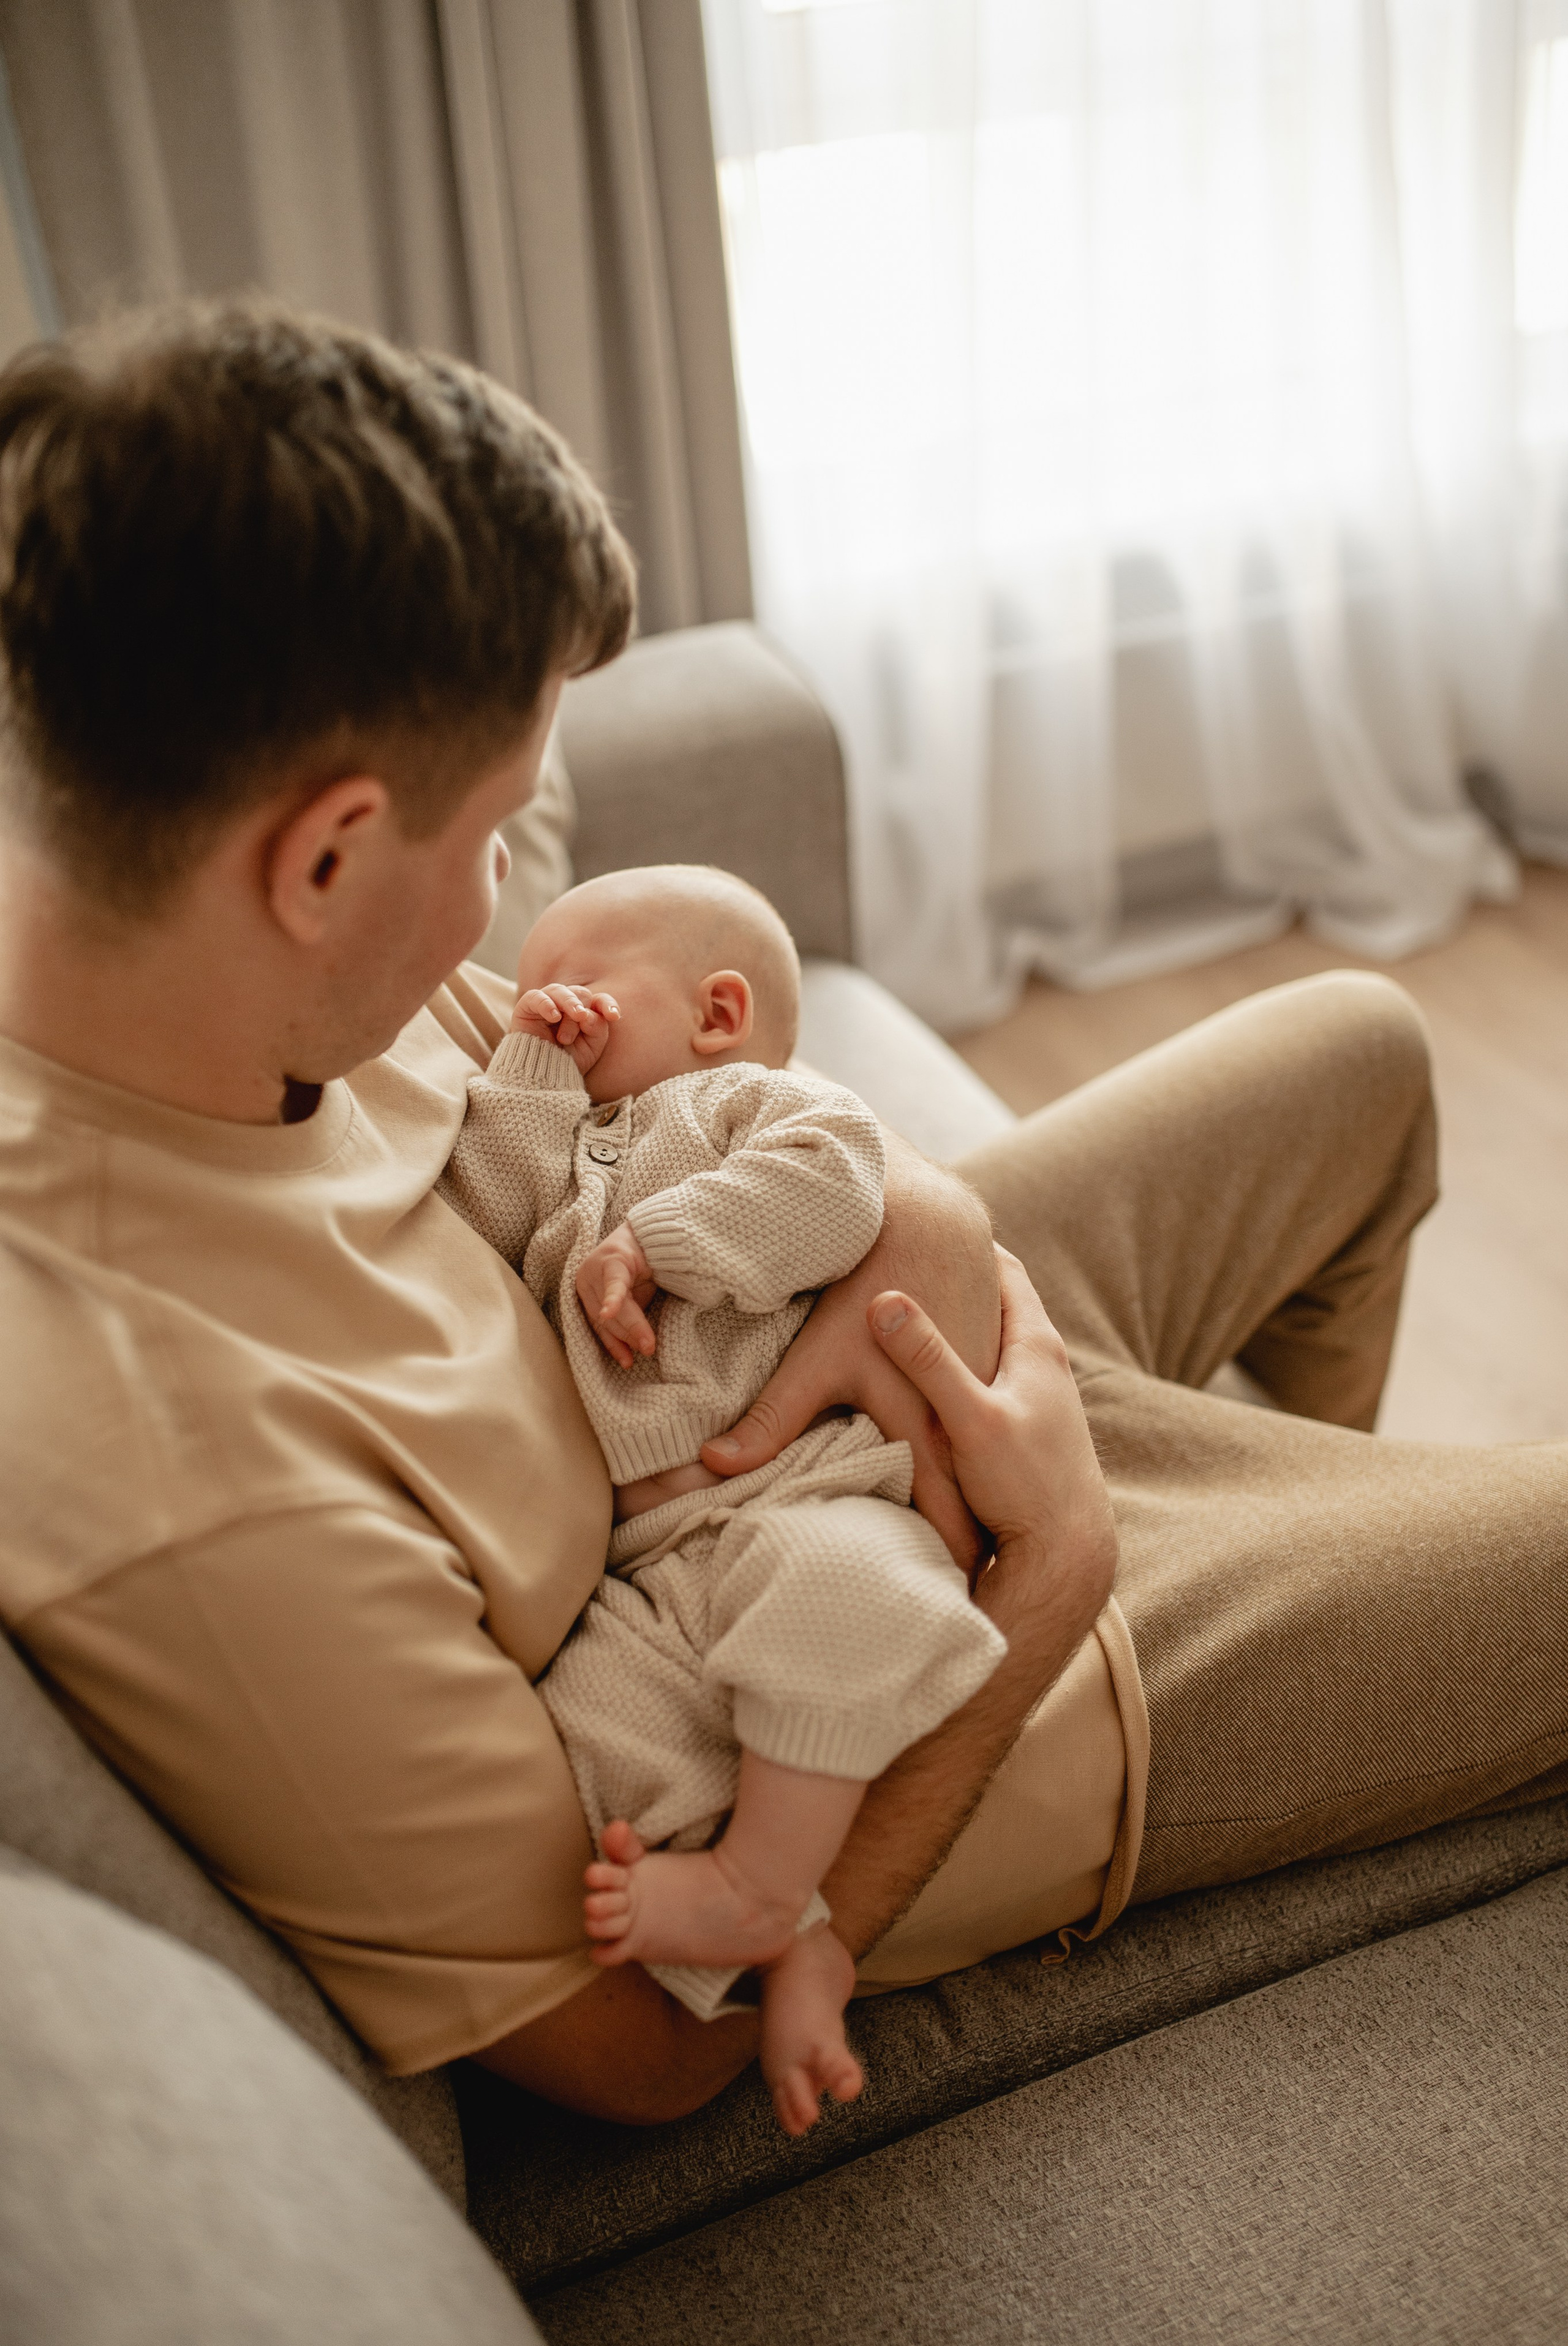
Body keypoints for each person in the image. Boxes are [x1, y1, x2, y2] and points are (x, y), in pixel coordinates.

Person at [1, 300, 1564, 2141]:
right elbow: (636, 2043)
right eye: (495, 834)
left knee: (1358, 1052)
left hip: (830, 1372)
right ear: (328, 856)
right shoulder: (188, 1478)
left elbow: (673, 1123)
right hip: (889, 1654)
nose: (503, 898)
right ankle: (1306, 1638)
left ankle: (1324, 1518)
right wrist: (1053, 1564)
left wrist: (923, 1239)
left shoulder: (198, 978)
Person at [438, 861, 1008, 2133]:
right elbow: (480, 1213)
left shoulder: (752, 1104)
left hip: (805, 1502)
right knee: (593, 1739)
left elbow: (834, 1185)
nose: (546, 1009)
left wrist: (658, 1243)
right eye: (532, 997)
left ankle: (757, 1883)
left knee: (844, 1596)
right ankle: (794, 1937)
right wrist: (528, 1071)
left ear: (716, 1012)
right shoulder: (556, 1140)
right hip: (650, 1564)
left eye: (575, 989)